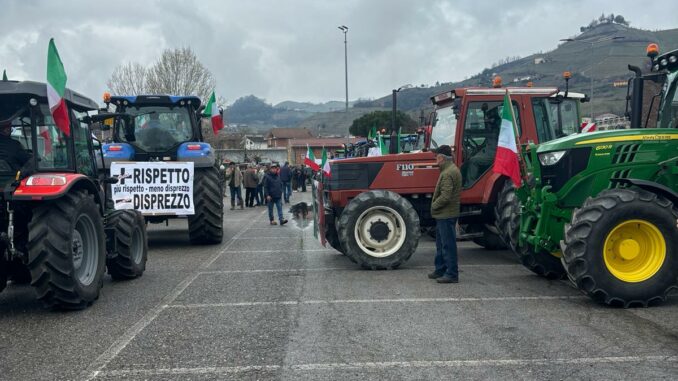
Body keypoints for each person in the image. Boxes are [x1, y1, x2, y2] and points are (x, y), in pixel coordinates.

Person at [429, 145, 462, 284]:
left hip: (446, 214)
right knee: (441, 243)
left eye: (436, 156)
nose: (436, 159)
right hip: (443, 214)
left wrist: (433, 206)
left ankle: (452, 273)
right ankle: (441, 269)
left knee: (447, 244)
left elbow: (446, 196)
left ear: (441, 157)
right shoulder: (449, 169)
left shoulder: (448, 173)